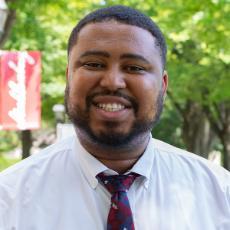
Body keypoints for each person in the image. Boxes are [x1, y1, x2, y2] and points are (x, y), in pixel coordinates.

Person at [0, 5, 229, 230]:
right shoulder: (9, 199)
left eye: (135, 67)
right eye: (94, 64)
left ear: (163, 85)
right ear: (69, 76)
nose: (112, 81)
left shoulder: (220, 194)